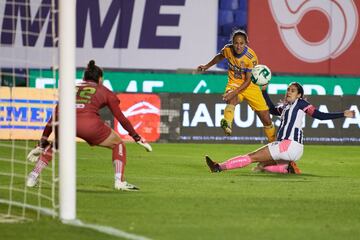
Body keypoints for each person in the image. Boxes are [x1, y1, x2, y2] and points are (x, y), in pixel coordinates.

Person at [26, 60, 152, 191]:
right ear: (100, 78)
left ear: (83, 78)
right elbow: (121, 118)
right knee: (118, 144)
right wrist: (136, 137)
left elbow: (54, 117)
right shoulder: (105, 91)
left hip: (64, 122)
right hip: (89, 125)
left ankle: (32, 176)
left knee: (55, 145)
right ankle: (119, 181)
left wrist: (42, 142)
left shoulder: (71, 89)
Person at [205, 82, 355, 174]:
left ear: (299, 95)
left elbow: (320, 115)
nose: (288, 92)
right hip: (292, 148)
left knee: (252, 157)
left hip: (288, 144)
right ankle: (287, 168)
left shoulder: (301, 104)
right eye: (288, 89)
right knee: (260, 166)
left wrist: (342, 114)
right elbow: (270, 109)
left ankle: (219, 167)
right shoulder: (285, 108)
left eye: (293, 90)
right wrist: (264, 90)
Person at [197, 29, 276, 142]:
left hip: (250, 87)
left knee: (266, 119)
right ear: (232, 43)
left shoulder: (251, 57)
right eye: (236, 43)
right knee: (231, 97)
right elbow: (220, 56)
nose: (238, 46)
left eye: (241, 43)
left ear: (246, 43)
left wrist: (234, 92)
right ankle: (227, 124)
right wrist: (207, 66)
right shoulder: (228, 49)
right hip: (234, 82)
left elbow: (248, 81)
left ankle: (274, 146)